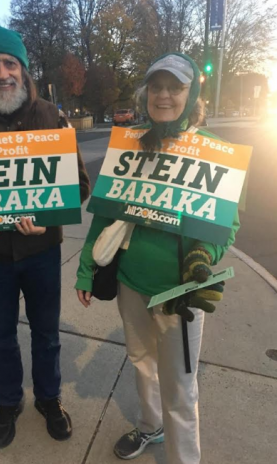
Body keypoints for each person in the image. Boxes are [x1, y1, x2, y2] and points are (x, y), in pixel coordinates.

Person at [75, 53, 240, 464]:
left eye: (176, 87)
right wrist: (84, 271)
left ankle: (185, 458)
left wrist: (203, 255)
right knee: (141, 364)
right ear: (147, 92)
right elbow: (105, 213)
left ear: (192, 93)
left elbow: (227, 226)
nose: (164, 95)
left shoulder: (214, 151)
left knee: (181, 384)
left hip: (179, 291)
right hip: (131, 282)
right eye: (157, 86)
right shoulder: (131, 142)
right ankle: (150, 427)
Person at [0, 25, 90, 449]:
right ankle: (8, 402)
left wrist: (48, 217)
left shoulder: (51, 117)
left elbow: (79, 185)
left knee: (47, 334)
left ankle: (48, 398)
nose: (2, 72)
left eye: (10, 63)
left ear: (24, 71)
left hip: (42, 250)